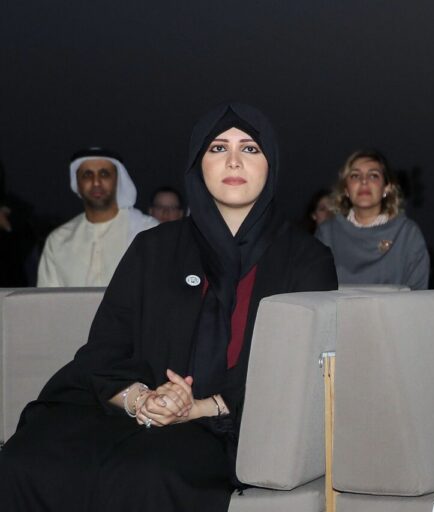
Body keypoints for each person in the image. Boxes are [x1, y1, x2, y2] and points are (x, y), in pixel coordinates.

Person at [0, 103, 338, 511]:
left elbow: (297, 376)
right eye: (217, 148)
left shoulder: (306, 259)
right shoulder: (154, 247)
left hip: (232, 423)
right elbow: (104, 350)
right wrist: (142, 399)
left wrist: (201, 407)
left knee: (148, 473)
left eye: (250, 148)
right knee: (27, 462)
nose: (233, 160)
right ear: (198, 164)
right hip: (134, 410)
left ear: (271, 164)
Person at [36, 148, 158, 287]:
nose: (96, 182)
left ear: (117, 180)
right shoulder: (58, 240)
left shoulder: (148, 231)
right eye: (87, 175)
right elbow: (47, 297)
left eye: (104, 174)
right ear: (77, 183)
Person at [315, 149, 429, 289]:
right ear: (346, 189)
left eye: (373, 176)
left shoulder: (407, 234)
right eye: (355, 176)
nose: (364, 181)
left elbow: (418, 294)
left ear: (387, 188)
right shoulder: (327, 234)